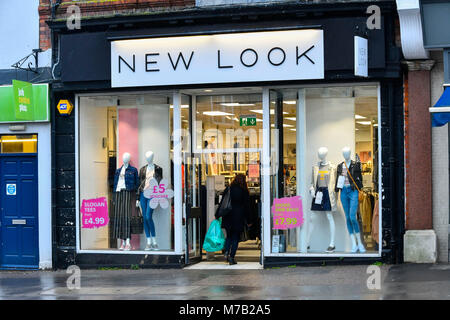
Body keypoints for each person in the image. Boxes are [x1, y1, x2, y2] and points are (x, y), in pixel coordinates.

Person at [221, 174, 251, 265]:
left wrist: (218, 214)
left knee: (229, 236)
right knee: (235, 237)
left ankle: (226, 252)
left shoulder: (228, 189)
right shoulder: (244, 191)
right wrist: (249, 220)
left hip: (228, 216)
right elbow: (247, 206)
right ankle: (231, 257)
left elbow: (222, 202)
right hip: (238, 216)